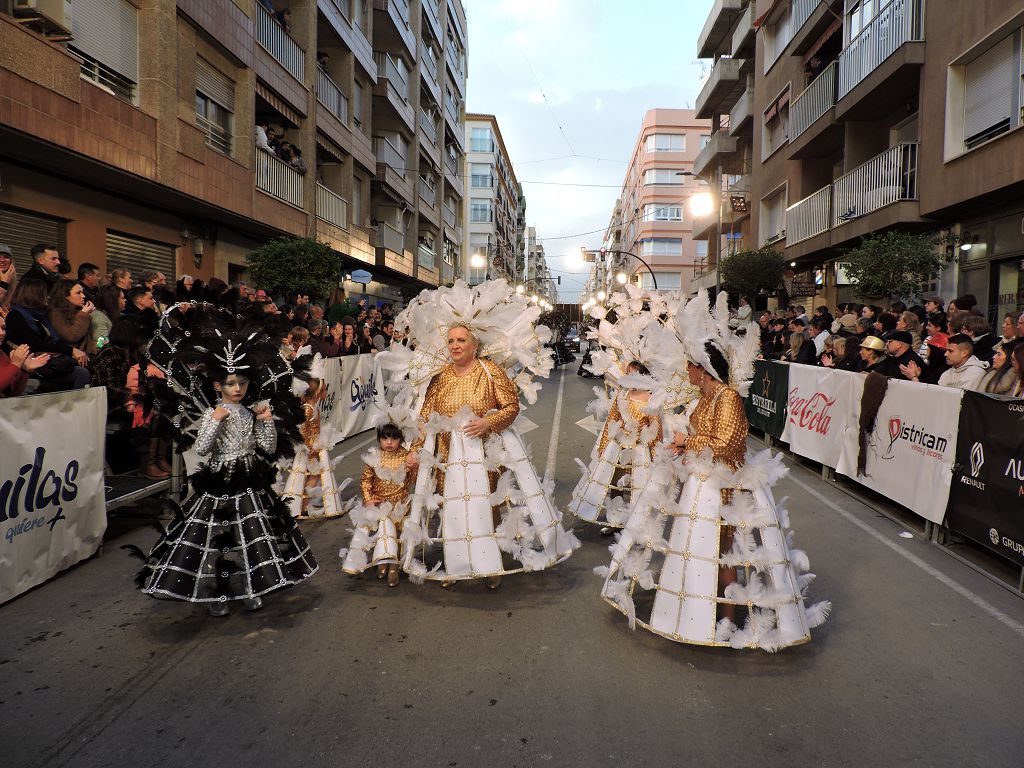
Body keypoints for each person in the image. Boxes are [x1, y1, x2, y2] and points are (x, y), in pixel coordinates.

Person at [599, 292, 830, 651]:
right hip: (700, 482)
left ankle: (728, 614)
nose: (686, 370)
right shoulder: (705, 397)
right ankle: (698, 610)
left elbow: (728, 444)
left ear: (704, 368)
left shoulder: (727, 397)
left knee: (722, 550)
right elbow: (705, 436)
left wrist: (685, 442)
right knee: (697, 546)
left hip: (724, 486)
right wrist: (684, 442)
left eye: (691, 365)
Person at [135, 304, 318, 616]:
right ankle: (216, 592)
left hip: (250, 481)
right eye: (231, 384)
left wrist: (266, 422)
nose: (237, 389)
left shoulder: (250, 411)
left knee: (251, 538)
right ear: (217, 384)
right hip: (219, 481)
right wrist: (214, 421)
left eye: (243, 384)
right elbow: (203, 448)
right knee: (216, 539)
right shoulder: (212, 412)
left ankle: (250, 587)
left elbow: (267, 446)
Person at [394, 283, 578, 589]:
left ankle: (489, 565)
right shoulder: (439, 379)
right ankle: (455, 565)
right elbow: (425, 417)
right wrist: (415, 449)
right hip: (447, 454)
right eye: (451, 340)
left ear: (474, 344)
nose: (454, 345)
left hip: (484, 452)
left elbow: (511, 407)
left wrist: (487, 424)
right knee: (451, 508)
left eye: (461, 340)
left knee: (484, 507)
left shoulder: (492, 371)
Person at [569, 361, 662, 532]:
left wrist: (655, 453)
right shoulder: (622, 395)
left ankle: (638, 524)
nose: (628, 377)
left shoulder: (651, 399)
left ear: (642, 376)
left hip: (640, 450)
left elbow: (656, 429)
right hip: (619, 447)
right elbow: (610, 421)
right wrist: (603, 445)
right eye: (627, 373)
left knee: (638, 487)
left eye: (632, 374)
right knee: (615, 484)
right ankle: (616, 520)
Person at [342, 422, 417, 587]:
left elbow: (414, 479)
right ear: (379, 439)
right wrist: (368, 499)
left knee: (396, 535)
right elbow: (366, 480)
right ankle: (382, 561)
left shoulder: (406, 456)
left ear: (401, 439)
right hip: (378, 503)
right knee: (381, 534)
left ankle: (394, 567)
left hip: (400, 505)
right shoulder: (374, 456)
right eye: (385, 438)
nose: (389, 442)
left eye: (394, 438)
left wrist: (415, 465)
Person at [5, 278, 91, 391]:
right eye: (44, 293)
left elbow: (54, 339)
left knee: (84, 367)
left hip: (45, 360)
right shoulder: (16, 316)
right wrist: (71, 350)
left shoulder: (40, 315)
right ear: (34, 295)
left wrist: (73, 351)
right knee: (81, 373)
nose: (48, 297)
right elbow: (35, 343)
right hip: (29, 364)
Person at [280, 375, 345, 519]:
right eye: (325, 389)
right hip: (310, 448)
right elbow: (302, 429)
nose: (326, 392)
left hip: (314, 446)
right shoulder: (308, 409)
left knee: (311, 475)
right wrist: (310, 447)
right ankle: (302, 504)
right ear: (318, 392)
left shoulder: (313, 407)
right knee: (312, 475)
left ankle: (303, 503)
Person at [0, 314, 50, 397]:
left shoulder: (2, 354)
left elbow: (13, 394)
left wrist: (25, 371)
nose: (1, 333)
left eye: (3, 328)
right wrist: (15, 364)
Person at [48, 279, 95, 350]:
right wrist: (84, 313)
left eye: (82, 292)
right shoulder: (56, 313)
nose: (83, 296)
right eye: (78, 293)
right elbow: (72, 336)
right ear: (65, 295)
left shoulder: (76, 311)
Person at [88, 284, 125, 354]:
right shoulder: (98, 318)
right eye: (122, 298)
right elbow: (100, 345)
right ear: (113, 300)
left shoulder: (119, 316)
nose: (125, 300)